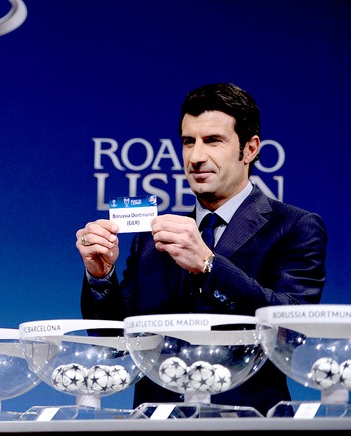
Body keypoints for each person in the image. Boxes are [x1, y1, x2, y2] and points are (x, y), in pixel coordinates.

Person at [75, 82, 327, 415]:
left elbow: (291, 328)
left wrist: (209, 264)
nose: (196, 157)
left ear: (250, 149)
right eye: (188, 142)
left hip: (249, 423)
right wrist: (100, 276)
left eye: (213, 141)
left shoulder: (294, 226)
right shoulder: (150, 238)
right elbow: (119, 340)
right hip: (156, 420)